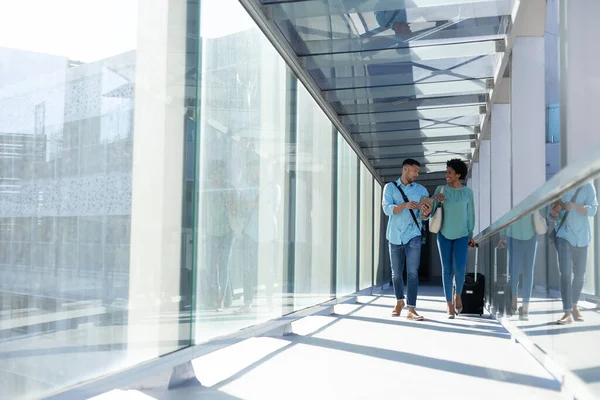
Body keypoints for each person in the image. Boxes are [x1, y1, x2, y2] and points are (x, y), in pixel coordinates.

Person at [381, 158, 432, 321]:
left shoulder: (422, 190)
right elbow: (387, 209)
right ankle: (399, 302)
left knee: (412, 273)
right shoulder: (390, 187)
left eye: (418, 170)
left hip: (413, 234)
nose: (417, 173)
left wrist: (425, 212)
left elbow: (424, 217)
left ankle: (411, 308)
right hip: (395, 235)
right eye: (414, 170)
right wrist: (404, 205)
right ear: (405, 169)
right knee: (396, 274)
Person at [430, 159, 476, 319]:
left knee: (460, 269)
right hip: (443, 234)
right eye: (446, 172)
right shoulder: (441, 189)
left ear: (458, 174)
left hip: (462, 235)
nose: (446, 175)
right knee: (447, 270)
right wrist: (437, 201)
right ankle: (449, 305)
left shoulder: (467, 193)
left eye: (449, 172)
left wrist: (470, 234)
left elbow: (471, 215)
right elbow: (431, 212)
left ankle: (458, 295)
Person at [548, 182, 598, 325]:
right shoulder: (560, 186)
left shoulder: (588, 186)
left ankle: (575, 306)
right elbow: (551, 217)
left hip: (582, 237)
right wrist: (553, 213)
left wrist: (574, 206)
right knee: (565, 274)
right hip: (564, 235)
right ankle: (567, 312)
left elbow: (594, 210)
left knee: (580, 275)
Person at [497, 212, 540, 320]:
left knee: (524, 272)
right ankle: (516, 303)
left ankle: (522, 306)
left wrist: (502, 234)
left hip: (529, 233)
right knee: (521, 272)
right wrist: (502, 235)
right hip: (515, 234)